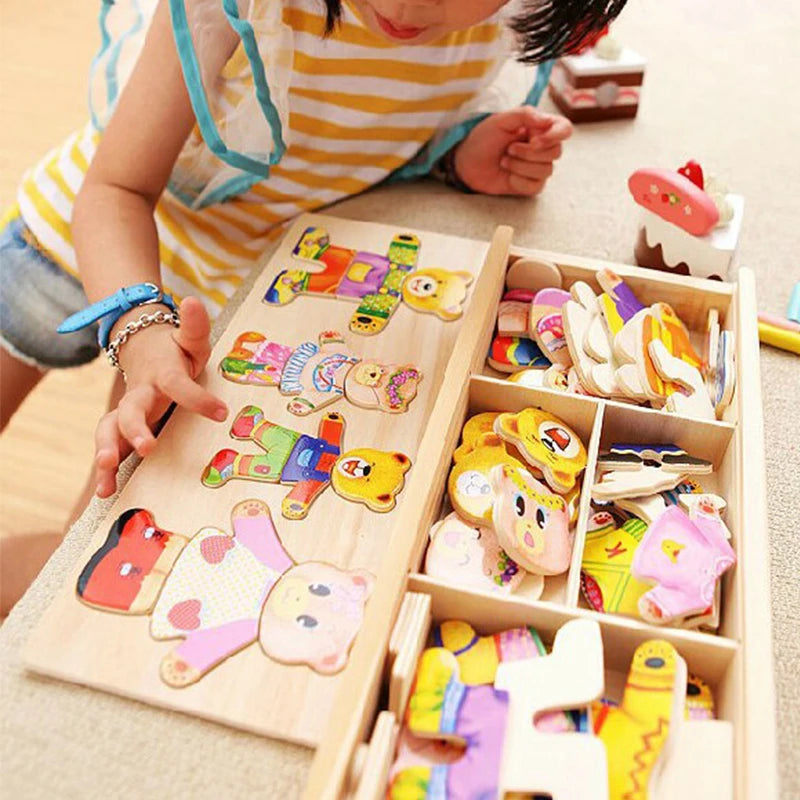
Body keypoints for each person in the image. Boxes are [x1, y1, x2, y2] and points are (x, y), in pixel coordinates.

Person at [0, 0, 628, 611]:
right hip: (88, 246)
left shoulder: (494, 27)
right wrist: (139, 330)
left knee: (80, 561)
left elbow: (375, 135)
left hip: (220, 298)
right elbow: (115, 190)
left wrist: (457, 157)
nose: (407, 8)